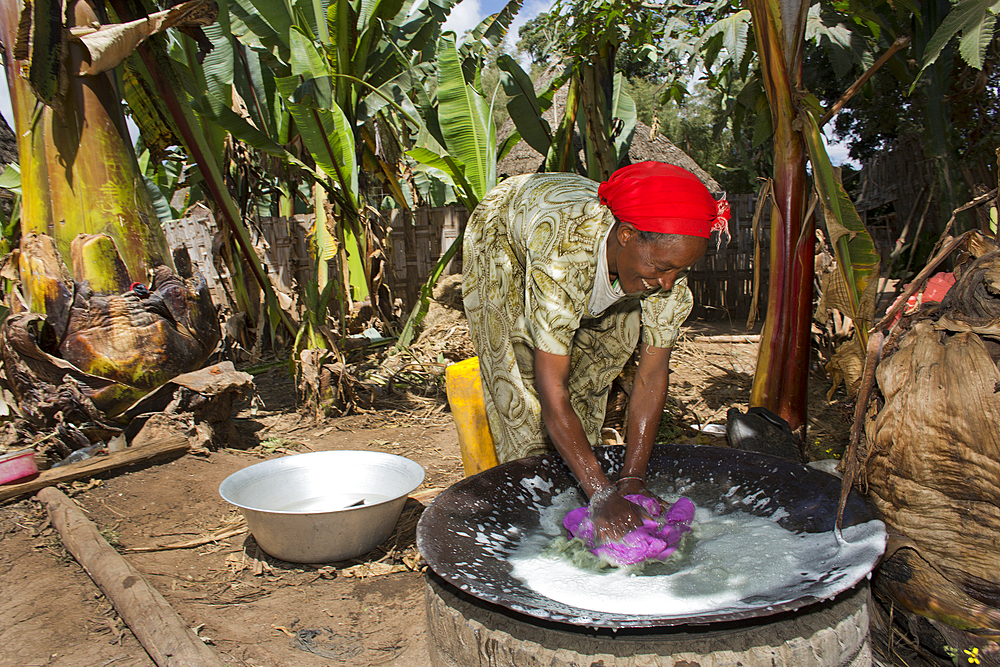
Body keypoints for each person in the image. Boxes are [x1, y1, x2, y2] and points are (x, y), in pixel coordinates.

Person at [462, 161, 730, 545]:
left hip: (586, 253)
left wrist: (632, 481)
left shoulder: (668, 274)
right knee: (523, 393)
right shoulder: (562, 258)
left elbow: (652, 376)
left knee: (604, 361)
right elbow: (552, 388)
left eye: (681, 270)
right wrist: (602, 493)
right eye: (661, 267)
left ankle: (590, 489)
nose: (667, 282)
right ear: (626, 235)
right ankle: (540, 513)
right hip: (505, 234)